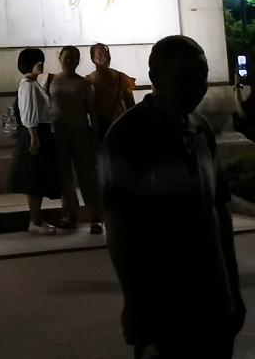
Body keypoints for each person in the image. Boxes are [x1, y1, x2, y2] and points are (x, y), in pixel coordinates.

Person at [99, 34, 245, 358]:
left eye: (202, 79)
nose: (197, 89)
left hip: (214, 300)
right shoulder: (125, 138)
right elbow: (119, 226)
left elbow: (219, 212)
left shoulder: (202, 128)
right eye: (185, 80)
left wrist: (232, 287)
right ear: (154, 79)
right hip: (162, 306)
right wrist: (134, 303)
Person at [46, 45, 104, 233]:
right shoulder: (50, 80)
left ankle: (96, 215)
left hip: (79, 131)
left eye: (74, 58)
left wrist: (95, 133)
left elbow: (91, 111)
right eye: (67, 57)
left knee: (86, 174)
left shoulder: (85, 84)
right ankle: (70, 213)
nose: (70, 61)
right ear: (60, 57)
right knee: (64, 175)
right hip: (58, 132)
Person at [5, 47, 62, 234]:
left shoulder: (32, 84)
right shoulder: (28, 86)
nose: (41, 64)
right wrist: (34, 138)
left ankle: (37, 219)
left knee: (37, 179)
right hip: (36, 134)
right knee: (34, 180)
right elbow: (29, 113)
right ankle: (35, 221)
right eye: (38, 61)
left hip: (40, 133)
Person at [85, 42, 135, 141]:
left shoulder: (121, 78)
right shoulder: (88, 81)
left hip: (120, 124)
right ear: (92, 58)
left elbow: (130, 103)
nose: (105, 57)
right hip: (98, 126)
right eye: (100, 54)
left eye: (106, 54)